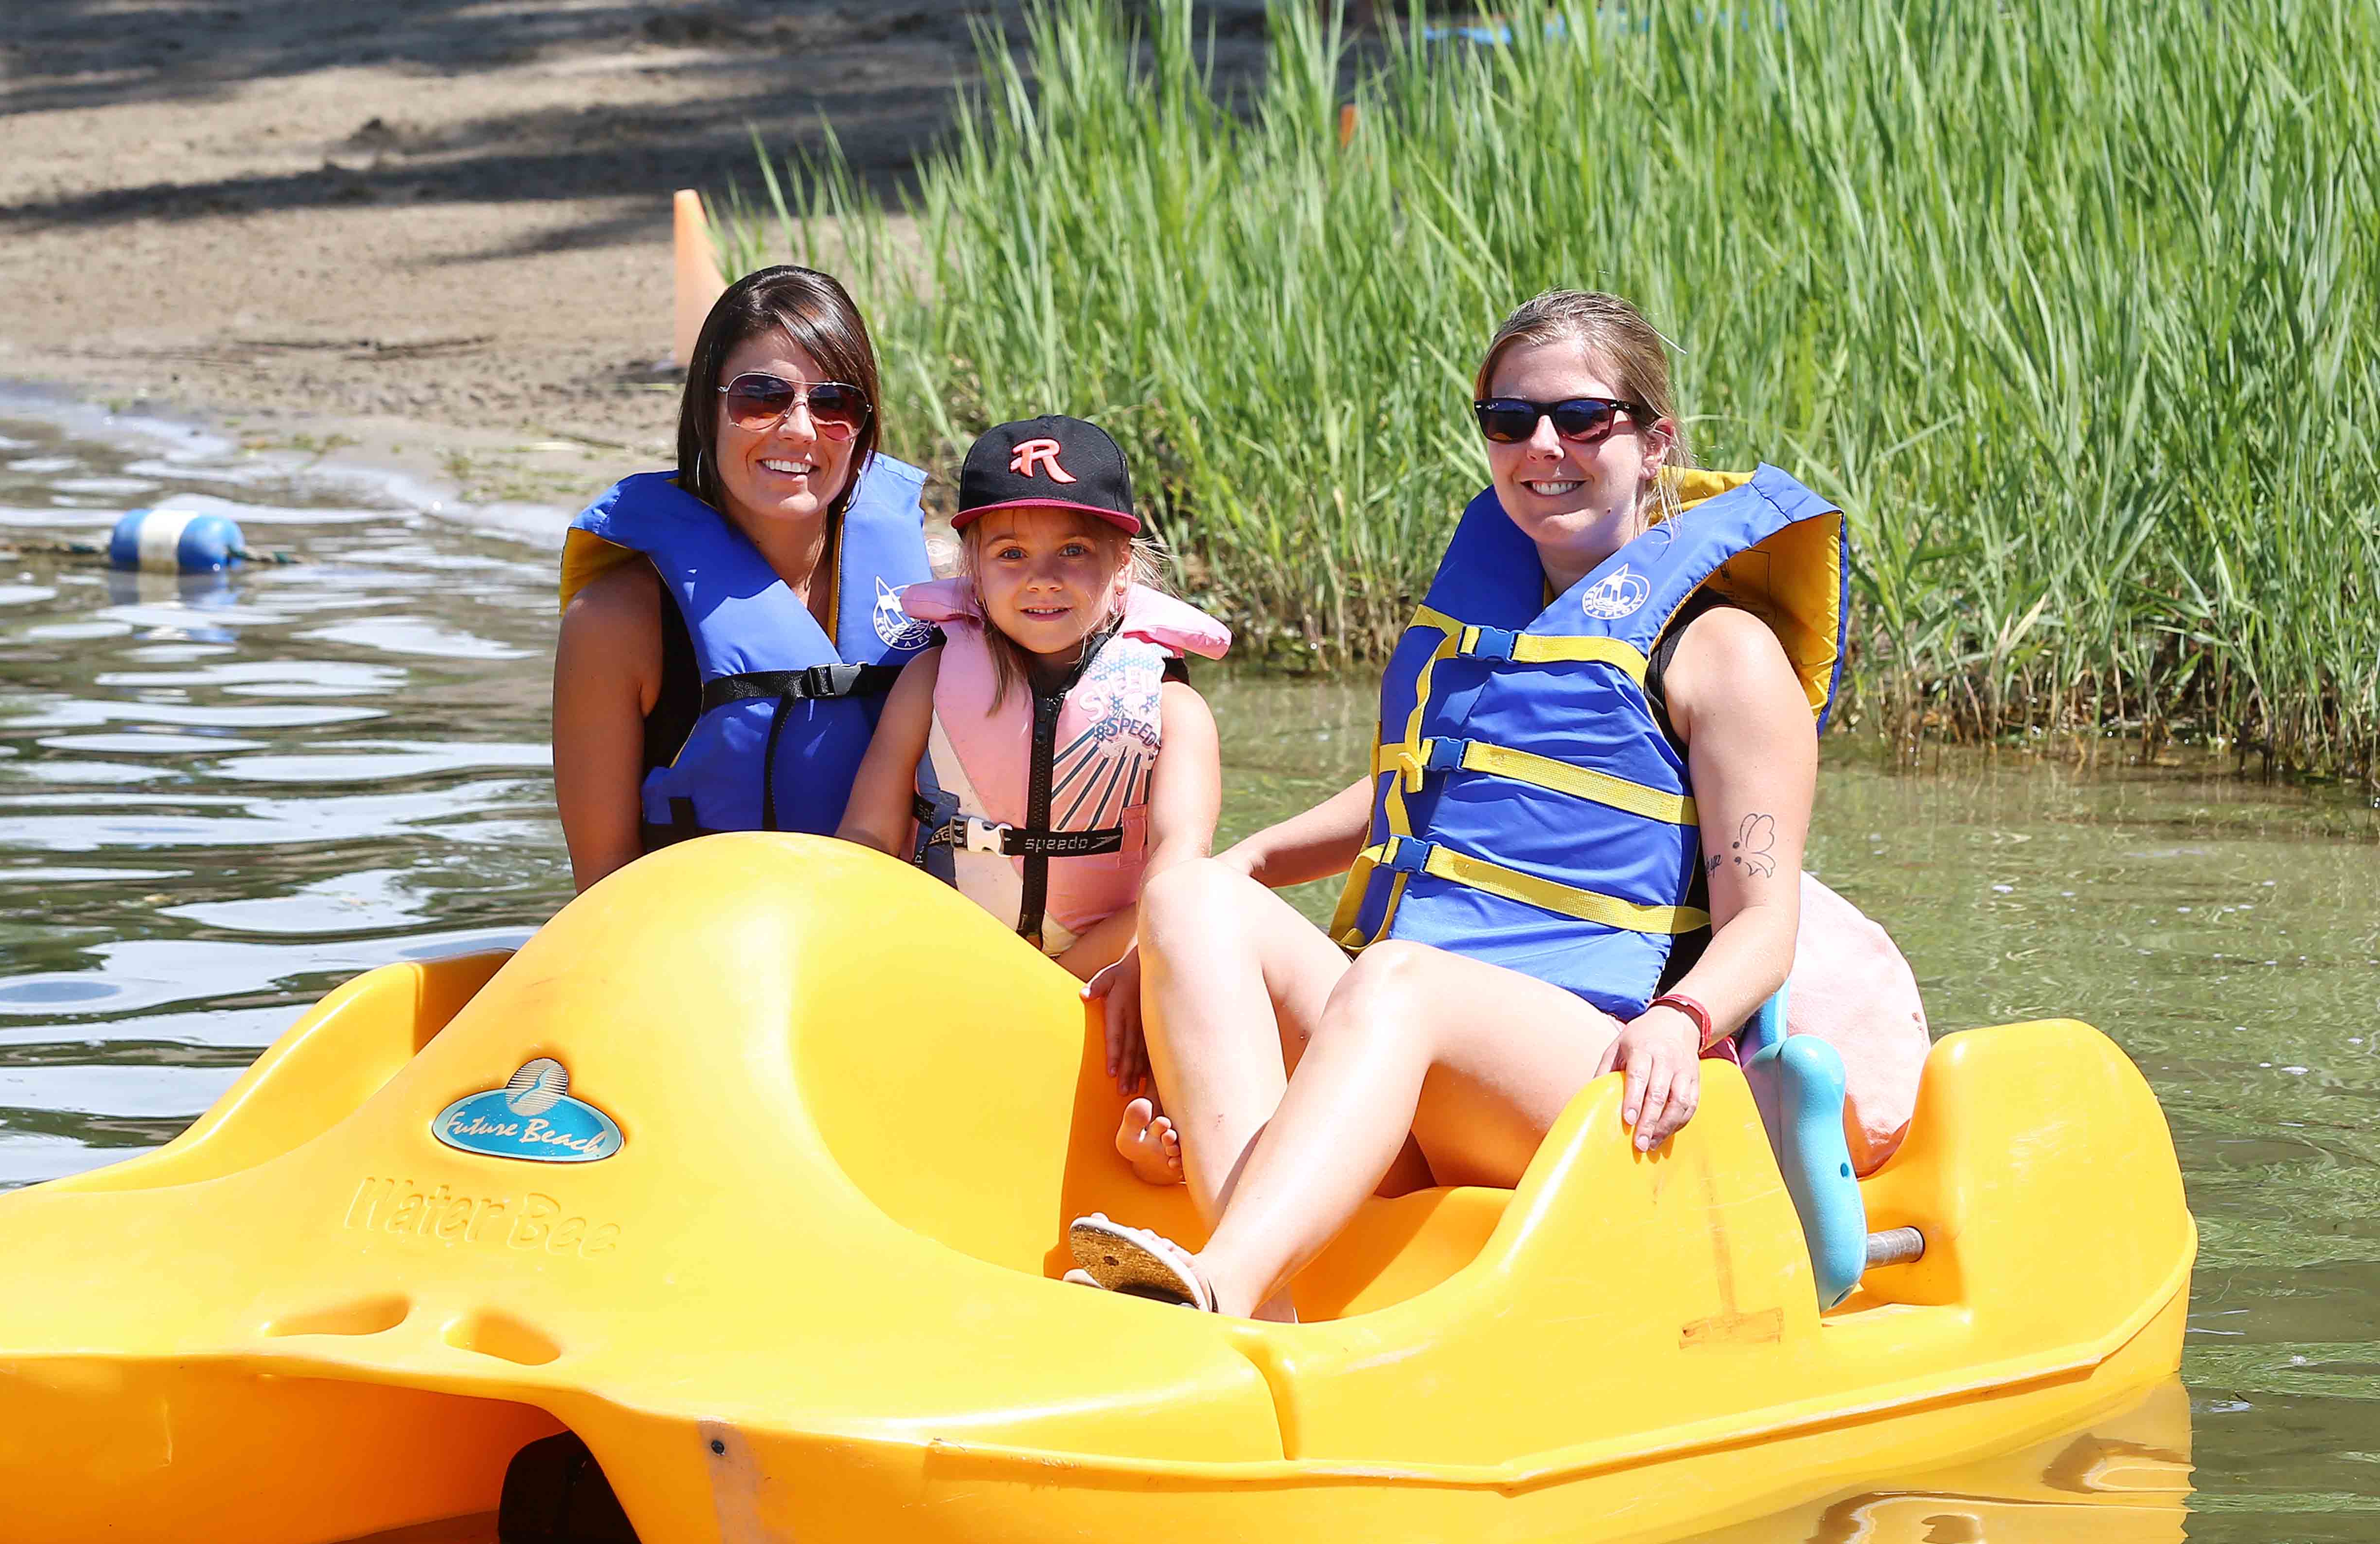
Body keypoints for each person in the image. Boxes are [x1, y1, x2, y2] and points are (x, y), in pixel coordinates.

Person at [1068, 289, 1848, 1317]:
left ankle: (1221, 1284)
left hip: (1588, 1072)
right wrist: (1215, 896)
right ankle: (1261, 1312)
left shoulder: (1725, 656)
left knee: (1399, 979)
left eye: (1582, 419)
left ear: (1656, 442)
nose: (1544, 447)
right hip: (1405, 1034)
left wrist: (1681, 1018)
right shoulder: (1486, 628)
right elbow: (1419, 792)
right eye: (1509, 420)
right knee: (1185, 898)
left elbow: (1767, 922)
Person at [554, 266, 935, 890]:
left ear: (863, 426)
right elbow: (601, 885)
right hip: (707, 961)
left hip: (893, 948)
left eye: (835, 403)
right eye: (761, 397)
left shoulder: (937, 587)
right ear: (708, 409)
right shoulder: (615, 622)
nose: (800, 429)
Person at [837, 417, 1227, 1015]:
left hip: (1107, 980)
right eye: (1011, 554)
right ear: (973, 567)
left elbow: (1180, 871)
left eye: (1073, 550)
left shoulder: (1177, 710)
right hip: (948, 965)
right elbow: (866, 840)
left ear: (1123, 562)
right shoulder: (929, 682)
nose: (1042, 579)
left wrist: (1079, 981)